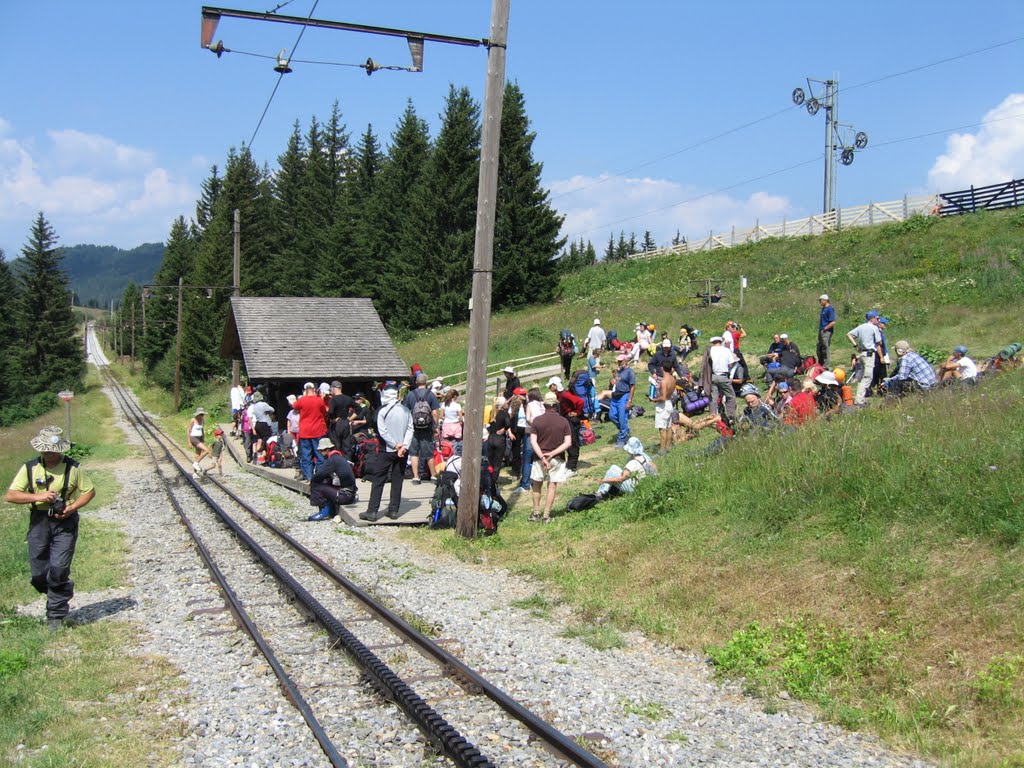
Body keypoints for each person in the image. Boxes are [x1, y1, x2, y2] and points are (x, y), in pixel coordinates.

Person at [5, 427, 96, 630]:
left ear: (60, 450)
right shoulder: (29, 468)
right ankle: (61, 590)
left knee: (59, 568)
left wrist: (71, 508)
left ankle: (55, 615)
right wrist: (38, 496)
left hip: (65, 522)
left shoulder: (73, 468)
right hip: (39, 521)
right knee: (38, 573)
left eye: (52, 450)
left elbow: (89, 492)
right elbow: (11, 495)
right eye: (45, 450)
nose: (49, 453)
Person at [362, 387, 413, 522]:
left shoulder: (382, 411)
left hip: (387, 449)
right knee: (398, 479)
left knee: (378, 479)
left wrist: (395, 445)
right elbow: (410, 429)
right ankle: (394, 510)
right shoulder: (406, 410)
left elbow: (382, 431)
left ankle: (372, 511)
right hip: (402, 450)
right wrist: (404, 446)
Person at [529, 391, 572, 523]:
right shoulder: (563, 421)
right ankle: (546, 515)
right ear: (556, 405)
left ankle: (536, 513)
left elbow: (533, 441)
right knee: (551, 486)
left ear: (545, 405)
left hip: (539, 458)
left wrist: (542, 457)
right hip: (556, 458)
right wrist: (552, 454)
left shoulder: (537, 421)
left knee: (537, 484)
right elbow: (568, 443)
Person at [308, 436, 357, 521]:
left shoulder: (332, 460)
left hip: (345, 495)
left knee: (316, 484)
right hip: (350, 493)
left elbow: (318, 476)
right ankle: (329, 509)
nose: (320, 452)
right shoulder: (338, 457)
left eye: (321, 450)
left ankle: (324, 511)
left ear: (327, 450)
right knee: (325, 481)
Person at [404, 373, 441, 483]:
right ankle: (433, 475)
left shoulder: (410, 395)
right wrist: (436, 426)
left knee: (414, 452)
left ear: (416, 382)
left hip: (413, 427)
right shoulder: (431, 395)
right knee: (429, 452)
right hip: (427, 427)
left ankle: (416, 476)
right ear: (426, 382)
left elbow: (406, 412)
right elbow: (434, 413)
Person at [846, 311, 884, 405]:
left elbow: (849, 335)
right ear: (872, 319)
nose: (878, 320)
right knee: (867, 377)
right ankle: (859, 399)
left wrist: (856, 346)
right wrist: (881, 357)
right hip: (869, 354)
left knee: (863, 376)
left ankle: (860, 397)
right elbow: (878, 344)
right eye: (877, 318)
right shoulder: (874, 328)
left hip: (862, 353)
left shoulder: (861, 327)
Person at [293, 381, 329, 480]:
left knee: (306, 456)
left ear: (305, 390)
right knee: (320, 455)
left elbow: (294, 407)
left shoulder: (301, 400)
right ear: (314, 389)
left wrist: (303, 396)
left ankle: (308, 476)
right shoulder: (319, 400)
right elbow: (324, 412)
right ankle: (320, 477)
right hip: (318, 430)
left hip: (305, 431)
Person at [703, 335, 737, 420]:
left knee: (713, 398)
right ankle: (731, 416)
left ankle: (712, 417)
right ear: (721, 342)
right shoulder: (726, 350)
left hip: (713, 376)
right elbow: (731, 363)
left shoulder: (710, 350)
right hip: (723, 376)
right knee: (730, 396)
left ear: (712, 343)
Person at [518, 387, 545, 493]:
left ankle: (525, 484)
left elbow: (528, 418)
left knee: (527, 459)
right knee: (539, 457)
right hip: (542, 433)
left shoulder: (530, 405)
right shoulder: (542, 404)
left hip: (530, 432)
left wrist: (534, 425)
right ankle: (539, 478)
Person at [609, 353, 636, 448]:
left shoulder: (630, 372)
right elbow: (616, 381)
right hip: (616, 395)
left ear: (626, 361)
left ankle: (622, 439)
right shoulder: (618, 371)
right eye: (618, 361)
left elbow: (632, 387)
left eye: (621, 361)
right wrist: (613, 380)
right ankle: (625, 429)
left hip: (624, 395)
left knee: (622, 417)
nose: (619, 362)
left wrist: (629, 401)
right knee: (611, 416)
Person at [487, 396, 513, 481]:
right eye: (506, 403)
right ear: (502, 405)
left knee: (490, 461)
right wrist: (504, 429)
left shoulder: (492, 412)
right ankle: (494, 481)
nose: (507, 404)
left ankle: (489, 478)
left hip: (491, 437)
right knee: (497, 462)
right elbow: (508, 424)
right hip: (499, 439)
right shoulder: (505, 414)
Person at [653, 359, 676, 455]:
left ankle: (662, 450)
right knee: (668, 426)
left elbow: (663, 397)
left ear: (662, 368)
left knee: (662, 428)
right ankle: (668, 446)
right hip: (670, 403)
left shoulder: (663, 381)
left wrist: (653, 400)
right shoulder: (673, 379)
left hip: (663, 405)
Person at [187, 408, 212, 478]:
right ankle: (195, 463)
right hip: (193, 438)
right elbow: (188, 431)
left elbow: (202, 430)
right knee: (206, 450)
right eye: (201, 414)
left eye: (203, 414)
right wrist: (189, 442)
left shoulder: (202, 421)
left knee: (197, 455)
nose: (202, 416)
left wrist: (203, 439)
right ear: (197, 415)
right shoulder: (193, 420)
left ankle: (194, 473)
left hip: (199, 438)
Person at [817, 295, 837, 367]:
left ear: (825, 300)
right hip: (821, 330)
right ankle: (820, 363)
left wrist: (825, 329)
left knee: (825, 348)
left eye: (820, 300)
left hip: (826, 331)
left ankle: (826, 366)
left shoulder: (830, 309)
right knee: (819, 347)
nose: (820, 302)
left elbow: (832, 322)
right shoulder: (823, 309)